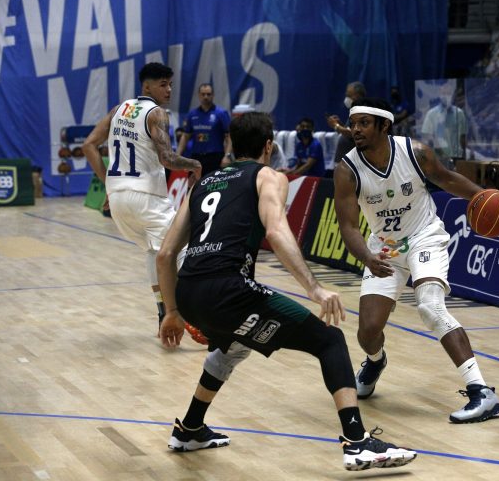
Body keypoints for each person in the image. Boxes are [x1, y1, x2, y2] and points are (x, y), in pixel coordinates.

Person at [156, 111, 417, 470]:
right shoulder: (268, 176)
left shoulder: (203, 183)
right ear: (269, 146)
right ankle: (358, 443)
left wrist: (171, 312)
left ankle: (189, 428)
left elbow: (166, 254)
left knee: (231, 346)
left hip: (188, 292)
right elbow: (276, 231)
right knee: (329, 340)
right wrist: (315, 288)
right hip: (229, 290)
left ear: (230, 143)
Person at [333, 98, 499, 423]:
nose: (355, 129)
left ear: (384, 125)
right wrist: (367, 256)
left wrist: (486, 197)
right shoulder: (347, 170)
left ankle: (482, 392)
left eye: (364, 123)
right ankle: (376, 361)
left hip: (424, 236)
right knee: (368, 331)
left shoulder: (415, 152)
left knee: (430, 306)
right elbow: (349, 226)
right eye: (353, 123)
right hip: (384, 248)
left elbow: (448, 179)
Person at [82, 62, 203, 339]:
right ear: (146, 86)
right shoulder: (156, 113)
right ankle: (191, 316)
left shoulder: (118, 109)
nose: (169, 90)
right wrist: (194, 164)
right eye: (163, 84)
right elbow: (167, 159)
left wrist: (109, 185)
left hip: (119, 201)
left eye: (170, 84)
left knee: (154, 251)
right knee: (181, 250)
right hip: (147, 198)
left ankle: (163, 313)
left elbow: (88, 145)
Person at [178, 83, 231, 175]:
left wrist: (227, 156)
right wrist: (177, 155)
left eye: (208, 94)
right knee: (194, 183)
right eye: (203, 94)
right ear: (199, 95)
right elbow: (185, 136)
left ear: (213, 95)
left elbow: (229, 136)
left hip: (215, 157)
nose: (205, 97)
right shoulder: (192, 114)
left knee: (215, 183)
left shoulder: (221, 113)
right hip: (196, 157)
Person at [420, 81, 467, 165]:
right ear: (439, 94)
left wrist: (463, 157)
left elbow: (463, 137)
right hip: (438, 158)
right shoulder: (431, 114)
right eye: (443, 93)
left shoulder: (459, 113)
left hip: (457, 157)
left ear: (453, 94)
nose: (446, 96)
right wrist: (437, 146)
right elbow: (427, 136)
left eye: (448, 93)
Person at [328, 81, 367, 164]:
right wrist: (340, 124)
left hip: (352, 163)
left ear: (358, 95)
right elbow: (349, 131)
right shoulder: (353, 111)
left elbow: (353, 133)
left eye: (349, 95)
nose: (346, 98)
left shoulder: (361, 111)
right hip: (344, 162)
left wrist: (336, 126)